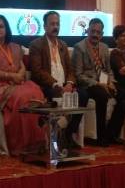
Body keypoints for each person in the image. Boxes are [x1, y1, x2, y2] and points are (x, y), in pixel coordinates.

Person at [0, 14, 45, 155]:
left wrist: (19, 75)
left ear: (6, 29)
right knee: (22, 98)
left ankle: (37, 141)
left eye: (1, 26)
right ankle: (21, 145)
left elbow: (22, 67)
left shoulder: (14, 47)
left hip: (17, 82)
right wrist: (12, 76)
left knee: (36, 92)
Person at [28, 11, 84, 149]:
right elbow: (37, 71)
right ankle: (56, 135)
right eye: (52, 24)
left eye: (57, 24)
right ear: (45, 26)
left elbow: (70, 70)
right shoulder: (36, 45)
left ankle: (68, 133)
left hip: (65, 85)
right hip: (48, 86)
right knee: (57, 94)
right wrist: (56, 84)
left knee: (83, 95)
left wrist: (69, 83)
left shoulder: (63, 45)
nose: (55, 27)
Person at [73, 18, 124, 146]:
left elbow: (109, 70)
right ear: (87, 31)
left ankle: (111, 134)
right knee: (102, 95)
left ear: (102, 34)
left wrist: (111, 82)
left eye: (98, 32)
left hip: (104, 82)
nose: (95, 34)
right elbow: (78, 75)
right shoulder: (79, 48)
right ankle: (101, 137)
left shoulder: (104, 47)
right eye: (92, 31)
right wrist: (97, 83)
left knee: (124, 96)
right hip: (89, 84)